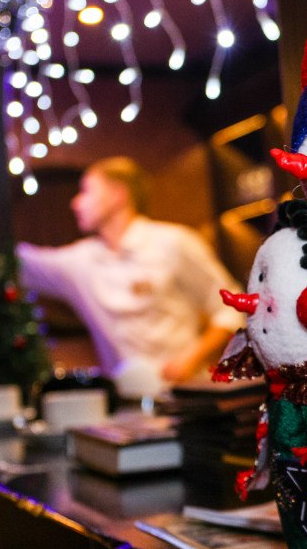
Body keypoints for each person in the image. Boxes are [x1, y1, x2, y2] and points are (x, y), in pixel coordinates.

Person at [15, 156, 244, 397]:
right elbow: (19, 262)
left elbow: (231, 307)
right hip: (127, 402)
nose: (76, 202)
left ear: (117, 194)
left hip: (187, 396)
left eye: (86, 191)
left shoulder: (174, 243)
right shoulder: (80, 261)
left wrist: (191, 358)